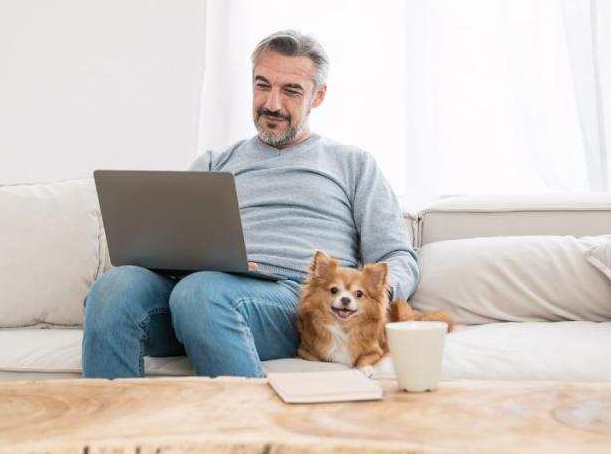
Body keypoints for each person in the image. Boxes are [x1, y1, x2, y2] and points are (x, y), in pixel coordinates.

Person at [82, 30, 419, 378]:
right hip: (196, 294)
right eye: (262, 85)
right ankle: (113, 430)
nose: (272, 103)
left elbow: (399, 256)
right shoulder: (215, 162)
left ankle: (251, 429)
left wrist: (365, 299)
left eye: (291, 91)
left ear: (318, 96)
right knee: (113, 288)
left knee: (201, 293)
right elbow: (174, 248)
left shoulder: (352, 163)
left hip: (294, 302)